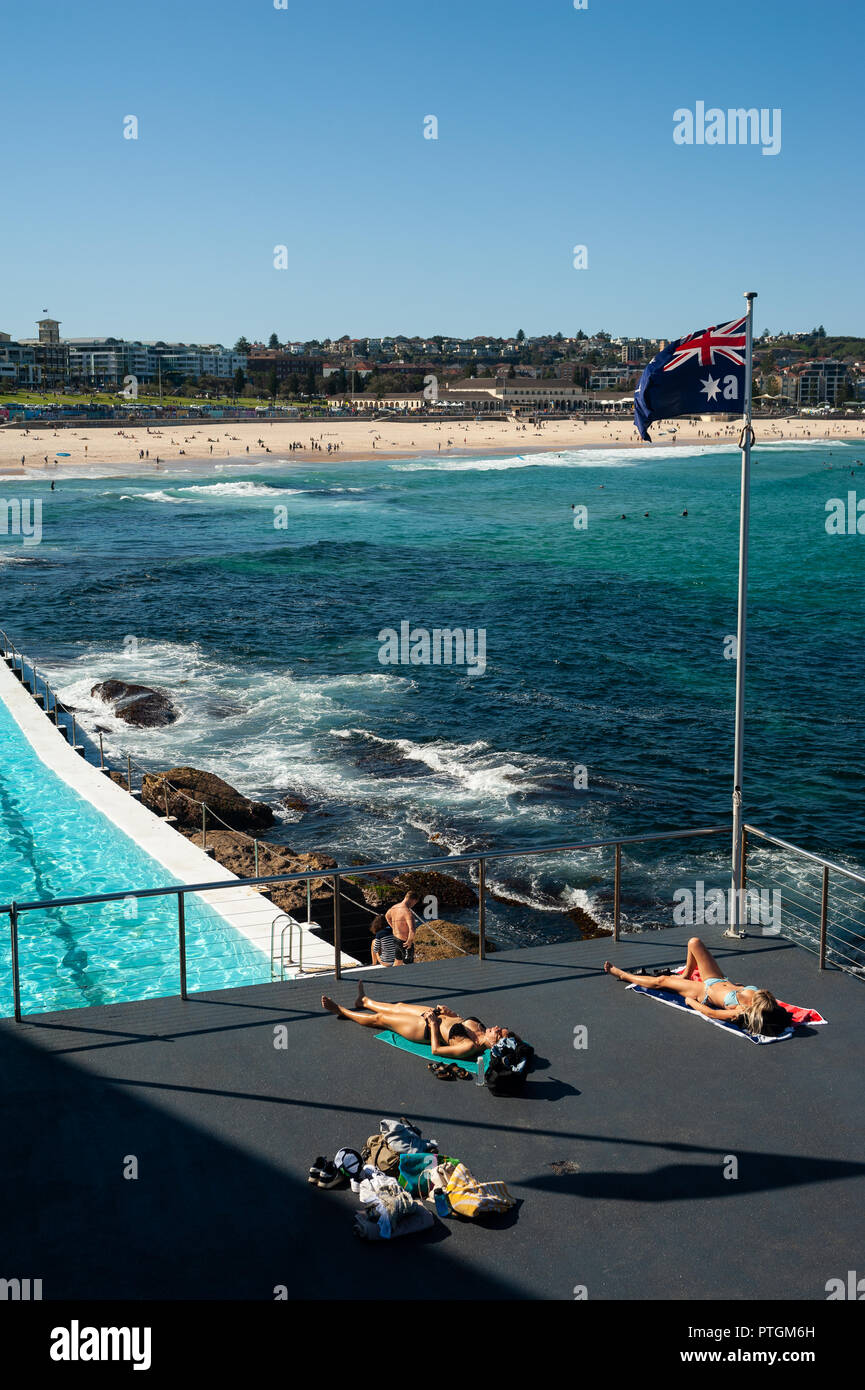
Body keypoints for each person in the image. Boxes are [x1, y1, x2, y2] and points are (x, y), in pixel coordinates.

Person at [603, 935, 791, 1036]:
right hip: (719, 979)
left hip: (704, 991)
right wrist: (735, 987)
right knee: (694, 942)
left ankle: (622, 974)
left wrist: (691, 1002)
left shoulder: (740, 1011)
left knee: (661, 982)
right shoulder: (759, 995)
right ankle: (685, 974)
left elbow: (712, 1013)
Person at [321, 985, 509, 1060]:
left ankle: (341, 1010)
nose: (498, 1028)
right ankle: (364, 1002)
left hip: (424, 1030)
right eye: (501, 1029)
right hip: (434, 1015)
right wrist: (449, 1012)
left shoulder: (469, 1046)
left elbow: (436, 1050)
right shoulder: (482, 1029)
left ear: (494, 1043)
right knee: (399, 1006)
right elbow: (459, 1021)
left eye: (499, 1033)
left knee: (381, 1020)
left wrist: (434, 1025)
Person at [385, 890, 420, 964]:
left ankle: (393, 975)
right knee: (408, 964)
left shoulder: (394, 907)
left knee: (398, 961)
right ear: (412, 900)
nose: (414, 905)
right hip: (405, 942)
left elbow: (387, 917)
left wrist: (393, 927)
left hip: (396, 939)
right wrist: (409, 941)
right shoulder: (408, 913)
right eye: (415, 903)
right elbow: (412, 929)